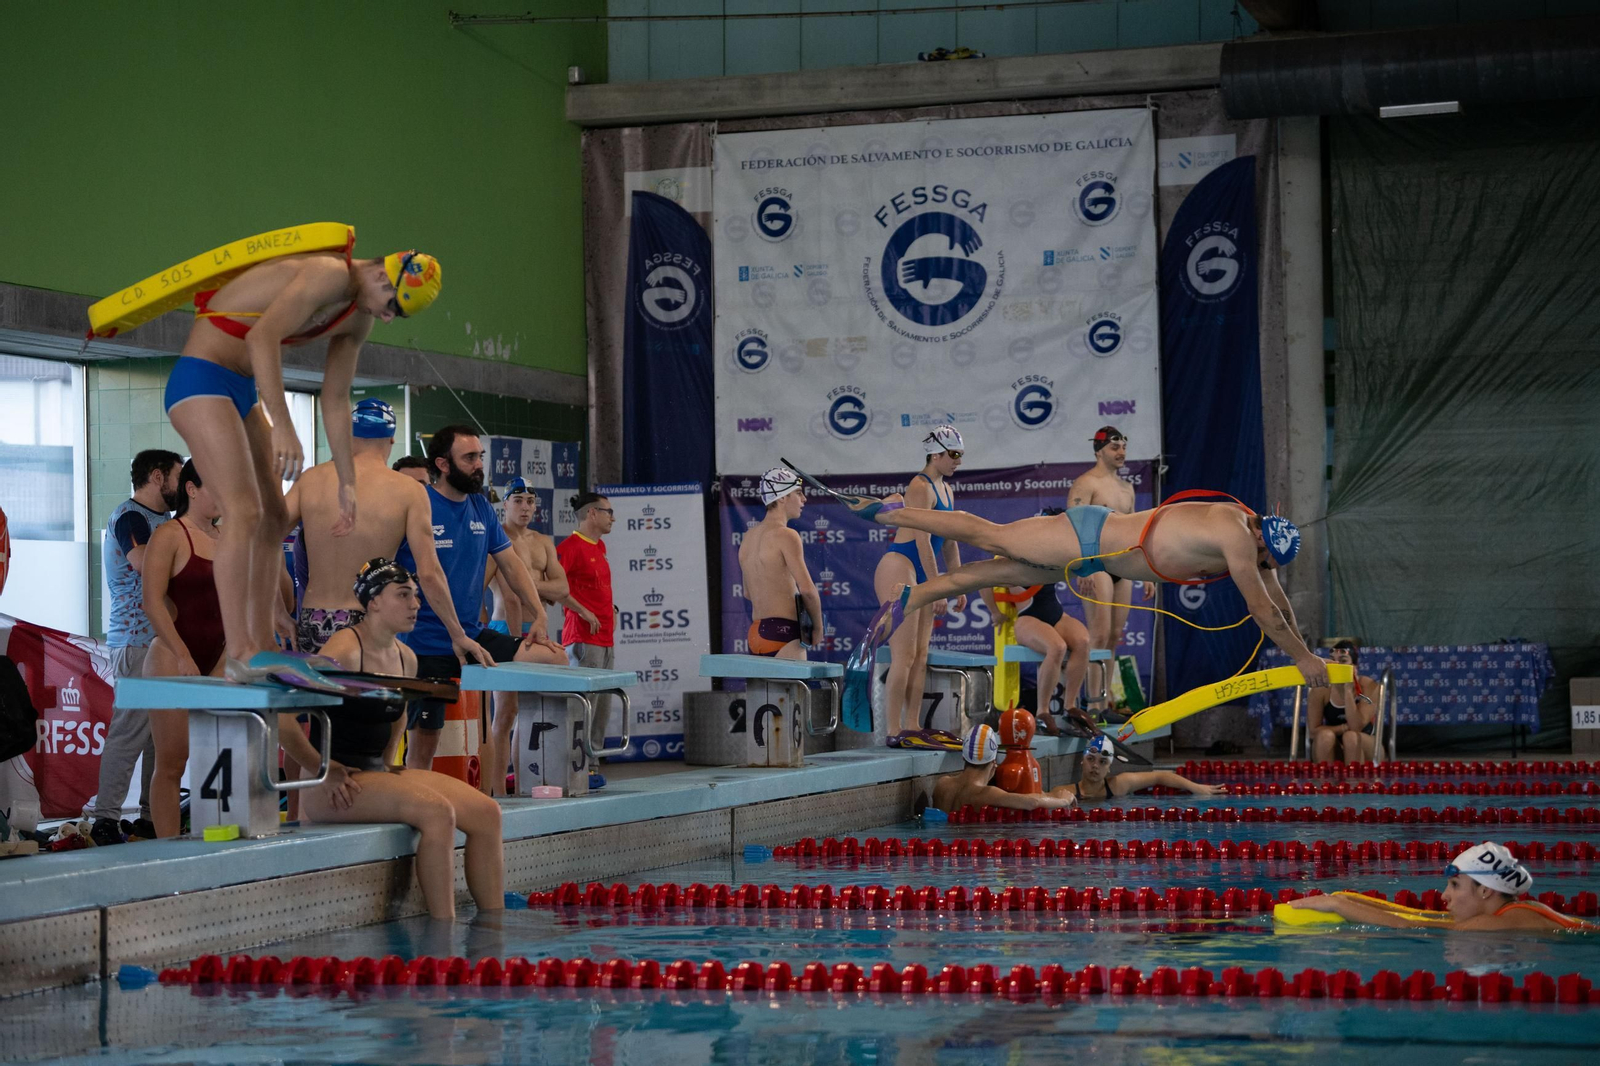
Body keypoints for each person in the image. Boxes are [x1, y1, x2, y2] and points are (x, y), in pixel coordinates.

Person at [162, 235, 442, 686]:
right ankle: (240, 652)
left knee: (273, 518)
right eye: (393, 302)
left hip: (239, 387)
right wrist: (285, 426)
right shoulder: (328, 273)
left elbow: (334, 399)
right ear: (378, 272)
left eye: (400, 313)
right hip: (202, 377)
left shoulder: (358, 318)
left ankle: (260, 646)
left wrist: (346, 482)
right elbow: (262, 337)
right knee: (244, 511)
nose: (389, 316)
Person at [824, 479, 1330, 690]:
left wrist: (1304, 647)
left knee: (995, 571)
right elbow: (1264, 612)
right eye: (1266, 558)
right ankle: (888, 512)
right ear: (1262, 538)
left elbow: (1276, 599)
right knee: (992, 536)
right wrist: (1303, 659)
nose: (1263, 566)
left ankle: (915, 597)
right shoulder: (1234, 534)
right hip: (1086, 535)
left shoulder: (1251, 532)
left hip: (1090, 558)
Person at [278, 559, 504, 921]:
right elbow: (283, 718)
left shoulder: (406, 656)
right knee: (436, 812)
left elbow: (398, 713)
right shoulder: (344, 651)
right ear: (374, 602)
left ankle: (494, 927)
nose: (416, 604)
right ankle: (443, 936)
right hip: (333, 786)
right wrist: (323, 769)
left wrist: (388, 760)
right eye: (403, 595)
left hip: (371, 774)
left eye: (415, 595)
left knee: (487, 813)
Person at [397, 426, 564, 772]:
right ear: (443, 464)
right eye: (469, 458)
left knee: (554, 659)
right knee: (422, 748)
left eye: (480, 457)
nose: (478, 465)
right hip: (426, 643)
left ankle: (532, 776)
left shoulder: (481, 508)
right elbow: (427, 576)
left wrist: (541, 615)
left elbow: (512, 566)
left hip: (472, 636)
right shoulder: (420, 505)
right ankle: (413, 810)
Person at [89, 449, 184, 846]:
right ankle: (106, 819)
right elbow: (146, 563)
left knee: (157, 737)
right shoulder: (131, 518)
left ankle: (149, 815)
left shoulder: (166, 522)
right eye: (179, 477)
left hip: (160, 643)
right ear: (159, 477)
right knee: (129, 730)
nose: (183, 486)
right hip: (135, 642)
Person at [478, 478, 594, 797]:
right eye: (518, 501)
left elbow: (563, 589)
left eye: (530, 501)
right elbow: (477, 590)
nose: (525, 507)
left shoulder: (543, 542)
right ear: (505, 504)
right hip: (505, 631)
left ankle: (522, 784)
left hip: (538, 632)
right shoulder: (495, 539)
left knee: (528, 712)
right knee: (505, 713)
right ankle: (498, 790)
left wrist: (524, 583)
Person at [142, 461, 226, 838]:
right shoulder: (170, 535)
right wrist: (181, 654)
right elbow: (152, 602)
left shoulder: (229, 539)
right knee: (173, 762)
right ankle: (167, 851)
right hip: (170, 655)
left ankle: (213, 842)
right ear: (191, 489)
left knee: (219, 758)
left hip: (220, 656)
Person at [877, 427, 967, 747]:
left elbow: (950, 543)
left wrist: (957, 585)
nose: (958, 461)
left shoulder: (947, 490)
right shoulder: (920, 486)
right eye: (953, 455)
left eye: (961, 455)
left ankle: (912, 724)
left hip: (923, 572)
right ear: (935, 454)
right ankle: (892, 730)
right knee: (903, 654)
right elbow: (922, 539)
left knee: (920, 655)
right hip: (899, 567)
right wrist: (937, 585)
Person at [1281, 843, 1596, 931]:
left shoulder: (1501, 921)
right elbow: (1419, 916)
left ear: (1486, 890)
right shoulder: (1507, 913)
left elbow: (1412, 926)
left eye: (1455, 885)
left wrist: (1338, 906)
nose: (1443, 895)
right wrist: (1346, 897)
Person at [978, 508, 1092, 738]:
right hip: (1027, 618)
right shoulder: (1015, 550)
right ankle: (1043, 711)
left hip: (1056, 616)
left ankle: (1070, 706)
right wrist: (995, 612)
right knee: (1056, 647)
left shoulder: (1059, 549)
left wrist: (1087, 571)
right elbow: (983, 580)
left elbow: (1084, 559)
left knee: (1083, 640)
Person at [1068, 427, 1154, 712]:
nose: (1122, 453)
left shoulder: (1127, 489)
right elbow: (1073, 529)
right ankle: (1092, 704)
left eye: (1124, 448)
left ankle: (1105, 700)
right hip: (1097, 564)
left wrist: (1147, 572)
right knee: (1099, 634)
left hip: (1123, 565)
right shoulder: (1085, 484)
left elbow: (1134, 532)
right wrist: (1084, 568)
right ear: (1099, 450)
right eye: (1115, 448)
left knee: (1115, 635)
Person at [556, 491, 619, 788]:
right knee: (581, 705)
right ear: (592, 513)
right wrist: (583, 611)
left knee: (603, 704)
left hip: (605, 637)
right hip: (583, 638)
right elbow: (554, 588)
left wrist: (611, 609)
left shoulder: (602, 545)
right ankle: (574, 765)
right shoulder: (569, 548)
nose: (613, 518)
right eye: (608, 512)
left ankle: (591, 764)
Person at [737, 468, 822, 660]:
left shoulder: (748, 538)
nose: (804, 500)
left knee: (769, 691)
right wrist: (818, 628)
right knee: (797, 691)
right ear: (782, 498)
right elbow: (808, 590)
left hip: (756, 633)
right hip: (784, 633)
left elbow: (747, 593)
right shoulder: (786, 535)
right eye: (798, 493)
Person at [926, 724, 1077, 814]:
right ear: (994, 762)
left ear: (964, 757)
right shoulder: (986, 794)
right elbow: (1032, 803)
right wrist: (1063, 800)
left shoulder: (942, 785)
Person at [1064, 734, 1225, 801]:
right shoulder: (1067, 792)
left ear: (1110, 767)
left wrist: (1196, 788)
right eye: (1090, 759)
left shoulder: (1119, 785)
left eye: (1102, 762)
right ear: (1082, 761)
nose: (1095, 766)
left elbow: (1159, 776)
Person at [1307, 639, 1379, 763]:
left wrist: (1348, 692)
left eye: (1343, 661)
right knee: (1324, 737)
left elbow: (1356, 727)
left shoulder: (1368, 686)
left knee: (1351, 737)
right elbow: (1313, 732)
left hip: (1366, 743)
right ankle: (1326, 782)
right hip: (1334, 745)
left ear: (1354, 666)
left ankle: (1355, 782)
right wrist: (1343, 728)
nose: (1337, 666)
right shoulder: (1321, 690)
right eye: (1332, 661)